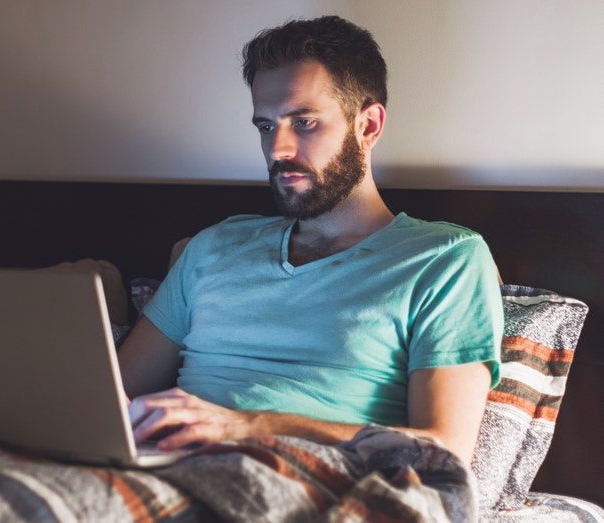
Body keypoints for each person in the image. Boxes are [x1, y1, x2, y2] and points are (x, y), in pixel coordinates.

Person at [117, 15, 503, 462]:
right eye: (265, 126)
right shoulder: (213, 247)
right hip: (164, 470)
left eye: (303, 122)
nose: (277, 148)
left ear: (369, 126)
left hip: (309, 481)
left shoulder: (444, 260)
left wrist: (249, 428)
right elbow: (109, 398)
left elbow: (444, 448)